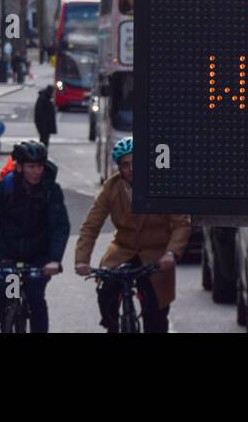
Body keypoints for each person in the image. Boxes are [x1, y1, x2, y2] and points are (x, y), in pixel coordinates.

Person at [75, 137, 191, 333]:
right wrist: (81, 260)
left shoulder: (162, 183)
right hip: (123, 249)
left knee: (156, 312)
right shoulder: (110, 188)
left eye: (135, 163)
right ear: (119, 168)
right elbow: (90, 226)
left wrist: (171, 253)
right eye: (125, 165)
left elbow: (181, 223)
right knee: (107, 289)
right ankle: (112, 326)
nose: (131, 169)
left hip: (156, 253)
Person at [0, 140, 68, 333]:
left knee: (34, 294)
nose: (36, 171)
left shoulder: (50, 190)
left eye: (39, 166)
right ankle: (7, 324)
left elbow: (60, 226)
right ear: (20, 167)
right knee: (7, 292)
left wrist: (55, 259)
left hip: (39, 257)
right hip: (9, 255)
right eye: (31, 166)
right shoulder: (6, 187)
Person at [33, 84, 57, 149]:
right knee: (44, 140)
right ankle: (42, 152)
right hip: (43, 125)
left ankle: (43, 152)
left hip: (45, 125)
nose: (53, 94)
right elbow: (41, 113)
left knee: (44, 140)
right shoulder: (43, 99)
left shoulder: (46, 98)